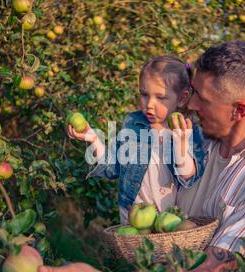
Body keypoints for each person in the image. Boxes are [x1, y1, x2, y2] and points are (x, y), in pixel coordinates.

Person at [7, 41, 245, 272]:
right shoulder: (193, 138)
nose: (189, 105)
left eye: (201, 99)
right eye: (190, 93)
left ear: (239, 110)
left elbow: (217, 266)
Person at [67, 55, 206, 222]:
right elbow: (112, 168)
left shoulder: (187, 131)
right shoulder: (133, 123)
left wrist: (181, 145)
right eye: (144, 94)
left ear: (182, 98)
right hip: (131, 217)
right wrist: (93, 139)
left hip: (169, 220)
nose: (149, 104)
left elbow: (189, 177)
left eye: (160, 97)